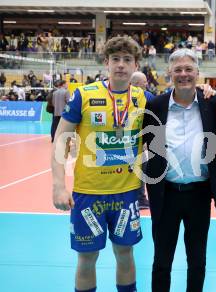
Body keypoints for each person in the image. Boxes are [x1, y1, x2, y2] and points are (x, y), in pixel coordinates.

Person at [51, 36, 149, 292]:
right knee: (86, 259)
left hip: (127, 194)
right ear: (106, 62)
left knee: (125, 253)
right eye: (115, 59)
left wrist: (204, 91)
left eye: (127, 60)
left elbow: (179, 100)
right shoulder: (84, 95)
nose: (121, 65)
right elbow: (61, 141)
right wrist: (58, 186)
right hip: (88, 194)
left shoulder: (143, 98)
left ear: (136, 64)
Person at [142, 48, 216, 292]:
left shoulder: (212, 103)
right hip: (165, 195)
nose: (184, 74)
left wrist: (212, 90)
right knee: (162, 262)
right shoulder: (155, 105)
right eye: (178, 70)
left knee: (197, 261)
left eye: (189, 69)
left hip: (199, 194)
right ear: (169, 74)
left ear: (197, 73)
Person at [130, 71, 152, 209]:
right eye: (145, 82)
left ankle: (140, 198)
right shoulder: (146, 95)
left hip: (139, 141)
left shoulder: (147, 95)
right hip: (133, 141)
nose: (147, 84)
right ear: (137, 83)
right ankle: (140, 199)